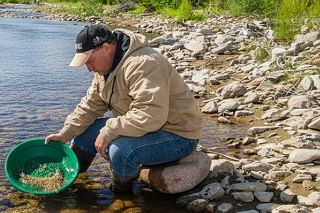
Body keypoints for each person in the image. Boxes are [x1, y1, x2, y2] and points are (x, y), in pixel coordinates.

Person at [45, 24, 203, 192]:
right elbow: (90, 106)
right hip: (144, 126)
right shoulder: (105, 69)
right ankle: (71, 181)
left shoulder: (144, 63)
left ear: (106, 48)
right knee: (82, 135)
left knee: (120, 151)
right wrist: (65, 133)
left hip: (177, 134)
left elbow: (151, 114)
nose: (89, 68)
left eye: (90, 61)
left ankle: (122, 195)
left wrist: (109, 131)